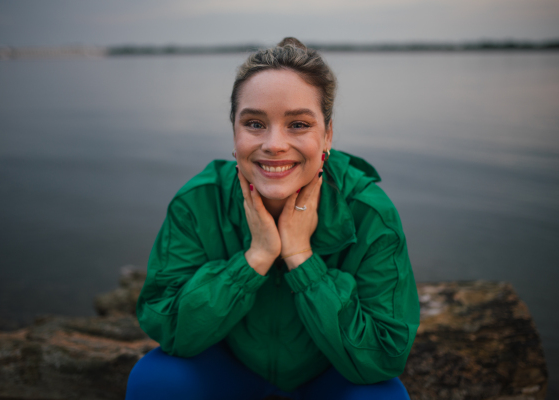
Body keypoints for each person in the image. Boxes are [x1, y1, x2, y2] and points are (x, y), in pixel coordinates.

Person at [126, 37, 420, 400]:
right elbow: (167, 325)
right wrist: (256, 258)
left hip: (330, 371)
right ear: (234, 132)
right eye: (254, 123)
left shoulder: (369, 212)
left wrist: (301, 257)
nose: (274, 144)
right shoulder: (199, 201)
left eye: (298, 124)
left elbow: (384, 354)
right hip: (229, 365)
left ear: (327, 134)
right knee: (155, 383)